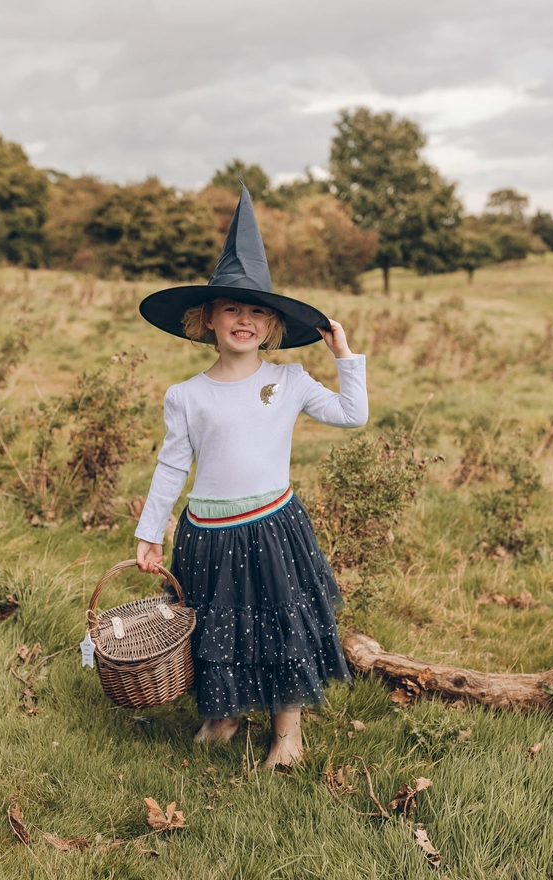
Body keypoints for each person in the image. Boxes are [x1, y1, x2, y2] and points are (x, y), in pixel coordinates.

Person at [134, 181, 368, 767]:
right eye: (232, 309)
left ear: (270, 327)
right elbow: (172, 464)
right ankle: (224, 717)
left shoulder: (288, 382)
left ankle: (287, 733)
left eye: (256, 311)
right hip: (205, 533)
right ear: (207, 319)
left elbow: (352, 414)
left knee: (279, 626)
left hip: (270, 526)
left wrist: (344, 356)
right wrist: (148, 530)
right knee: (217, 628)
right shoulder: (185, 395)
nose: (244, 319)